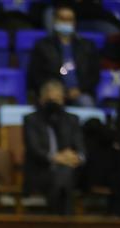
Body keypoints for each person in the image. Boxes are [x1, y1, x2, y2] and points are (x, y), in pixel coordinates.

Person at [22, 80, 86, 215]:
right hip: (41, 170)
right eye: (50, 100)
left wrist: (77, 157)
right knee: (63, 177)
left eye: (57, 100)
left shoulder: (72, 119)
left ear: (63, 100)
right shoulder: (31, 120)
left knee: (65, 174)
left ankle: (55, 219)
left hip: (71, 169)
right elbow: (34, 149)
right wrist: (55, 158)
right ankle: (64, 220)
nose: (54, 104)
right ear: (41, 100)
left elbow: (80, 148)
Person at [27, 5, 102, 106]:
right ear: (55, 21)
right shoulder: (42, 46)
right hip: (53, 93)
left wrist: (80, 89)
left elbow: (94, 75)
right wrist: (55, 89)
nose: (66, 22)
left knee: (86, 102)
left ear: (74, 22)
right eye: (62, 19)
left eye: (69, 19)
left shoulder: (87, 46)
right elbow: (36, 75)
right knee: (50, 101)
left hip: (80, 93)